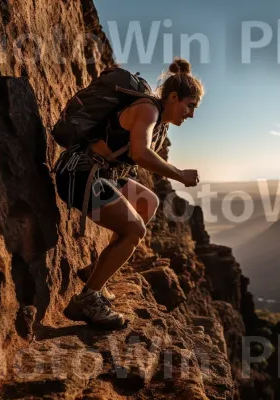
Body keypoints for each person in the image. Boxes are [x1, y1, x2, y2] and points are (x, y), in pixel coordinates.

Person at [55, 57, 204, 329]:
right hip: (79, 174)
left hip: (101, 175)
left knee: (149, 202)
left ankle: (96, 272)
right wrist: (180, 175)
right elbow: (140, 153)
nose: (191, 114)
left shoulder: (160, 121)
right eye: (190, 106)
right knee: (135, 230)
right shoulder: (148, 110)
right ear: (173, 96)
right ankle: (87, 299)